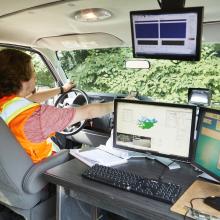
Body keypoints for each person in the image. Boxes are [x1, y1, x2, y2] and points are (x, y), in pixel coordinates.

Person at [0, 48, 113, 163]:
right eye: (32, 72)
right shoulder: (36, 116)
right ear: (22, 79)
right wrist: (117, 105)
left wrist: (62, 89)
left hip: (15, 168)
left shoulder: (7, 105)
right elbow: (89, 112)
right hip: (41, 171)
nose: (35, 76)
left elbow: (32, 99)